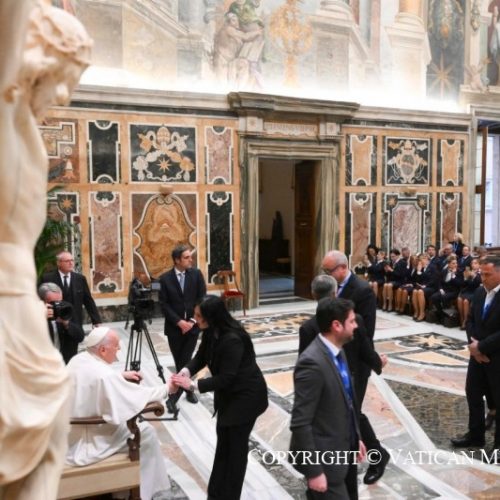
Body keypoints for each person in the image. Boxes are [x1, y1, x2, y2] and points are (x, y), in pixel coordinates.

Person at [0, 2, 91, 497]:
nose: (62, 95)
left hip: (17, 304)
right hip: (7, 300)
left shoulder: (25, 131)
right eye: (61, 78)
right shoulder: (5, 108)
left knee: (47, 423)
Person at [171, 295, 268, 500]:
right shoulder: (210, 331)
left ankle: (229, 495)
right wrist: (186, 371)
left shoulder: (232, 339)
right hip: (230, 397)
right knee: (224, 445)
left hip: (246, 399)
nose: (195, 319)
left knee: (235, 452)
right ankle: (216, 494)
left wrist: (193, 385)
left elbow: (227, 377)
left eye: (199, 316)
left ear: (212, 317)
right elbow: (201, 356)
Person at [66, 327, 171, 500]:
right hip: (89, 442)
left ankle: (123, 488)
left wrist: (120, 375)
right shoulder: (104, 375)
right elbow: (136, 396)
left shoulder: (78, 359)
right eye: (116, 345)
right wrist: (167, 389)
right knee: (147, 433)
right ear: (102, 349)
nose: (119, 349)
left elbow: (92, 379)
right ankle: (136, 493)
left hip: (70, 434)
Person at [321, 250, 389, 485]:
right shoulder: (330, 287)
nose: (326, 275)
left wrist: (373, 360)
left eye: (329, 271)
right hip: (336, 359)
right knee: (349, 413)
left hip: (355, 364)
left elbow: (366, 332)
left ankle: (377, 456)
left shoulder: (362, 290)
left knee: (353, 413)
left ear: (342, 268)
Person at [290, 297, 365, 499]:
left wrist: (355, 437)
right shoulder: (311, 364)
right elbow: (300, 422)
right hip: (325, 462)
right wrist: (314, 471)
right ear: (336, 325)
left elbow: (347, 402)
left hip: (343, 452)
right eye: (352, 321)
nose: (356, 325)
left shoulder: (338, 351)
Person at [451, 256, 500, 457]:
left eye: (488, 274)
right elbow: (470, 320)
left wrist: (481, 347)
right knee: (473, 394)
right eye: (481, 274)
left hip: (496, 357)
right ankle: (475, 435)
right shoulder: (480, 292)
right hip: (477, 356)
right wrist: (474, 347)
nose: (483, 278)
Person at [159, 244, 207, 412]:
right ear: (177, 260)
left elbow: (201, 299)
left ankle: (172, 399)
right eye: (186, 257)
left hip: (192, 328)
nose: (190, 260)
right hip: (174, 328)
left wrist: (192, 321)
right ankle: (188, 389)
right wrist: (179, 322)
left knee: (186, 360)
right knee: (180, 362)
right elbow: (164, 305)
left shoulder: (196, 274)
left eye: (190, 257)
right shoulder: (165, 279)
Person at [40, 251, 101, 327]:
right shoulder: (47, 278)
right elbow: (40, 299)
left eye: (72, 260)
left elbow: (88, 301)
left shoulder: (80, 279)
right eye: (67, 261)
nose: (71, 263)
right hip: (55, 322)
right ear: (58, 263)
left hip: (76, 323)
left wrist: (96, 321)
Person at [39, 282, 84, 363]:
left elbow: (80, 336)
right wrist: (40, 317)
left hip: (65, 361)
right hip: (43, 362)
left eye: (60, 301)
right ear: (41, 302)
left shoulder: (66, 307)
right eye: (53, 303)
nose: (58, 305)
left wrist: (66, 323)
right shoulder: (34, 313)